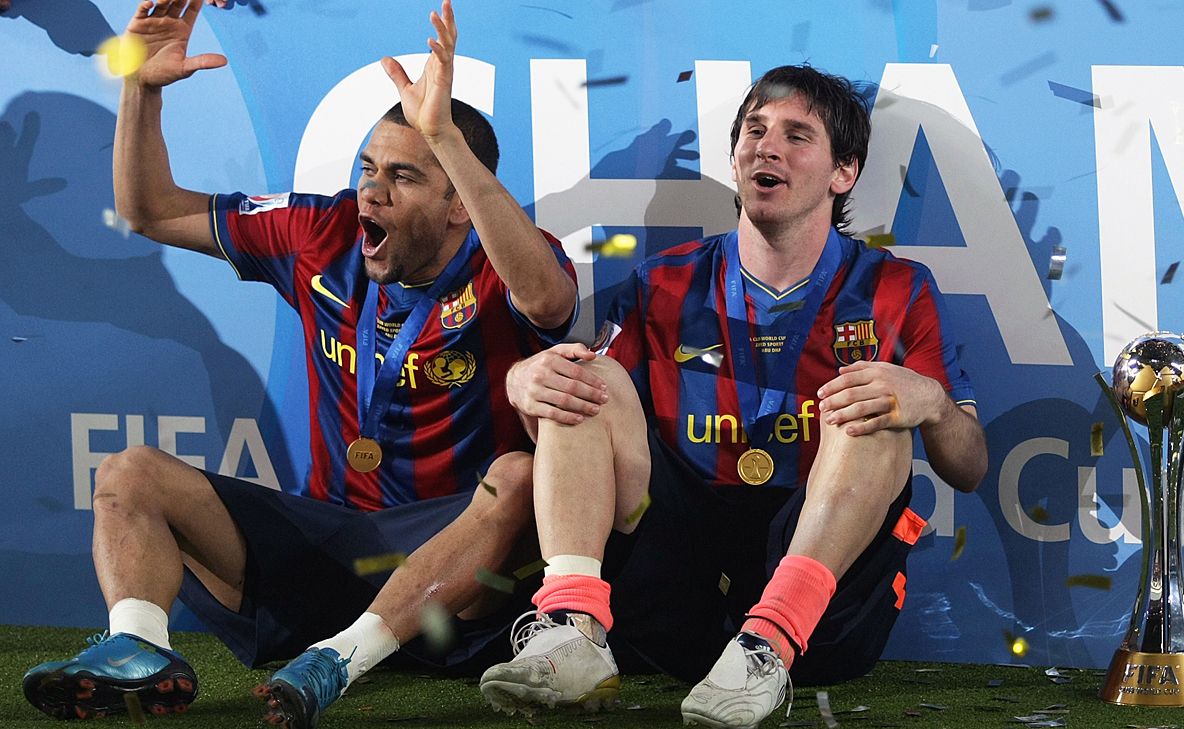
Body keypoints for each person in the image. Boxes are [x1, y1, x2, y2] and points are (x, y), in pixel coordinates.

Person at [22, 0, 577, 726]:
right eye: (368, 168)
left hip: (453, 571)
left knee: (520, 477)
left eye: (404, 176)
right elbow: (151, 210)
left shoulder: (505, 257)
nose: (371, 190)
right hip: (326, 542)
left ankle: (341, 659)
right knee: (129, 473)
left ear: (458, 204)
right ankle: (139, 647)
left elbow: (547, 301)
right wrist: (141, 89)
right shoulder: (323, 230)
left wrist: (444, 134)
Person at [479, 64, 987, 728]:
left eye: (796, 135)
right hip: (678, 595)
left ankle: (765, 647)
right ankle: (572, 629)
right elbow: (580, 434)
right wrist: (527, 381)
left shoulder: (897, 288)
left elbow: (969, 466)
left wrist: (933, 403)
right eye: (755, 130)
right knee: (585, 375)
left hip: (821, 617)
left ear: (844, 173)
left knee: (873, 404)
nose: (766, 147)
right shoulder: (662, 282)